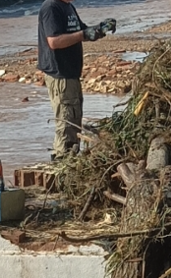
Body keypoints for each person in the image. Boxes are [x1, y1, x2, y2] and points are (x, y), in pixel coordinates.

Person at [37, 0, 115, 160]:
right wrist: (83, 34)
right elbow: (54, 41)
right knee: (67, 123)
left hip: (71, 74)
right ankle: (62, 162)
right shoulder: (51, 7)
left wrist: (99, 29)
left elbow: (81, 31)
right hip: (60, 75)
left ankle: (70, 158)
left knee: (74, 120)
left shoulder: (68, 6)